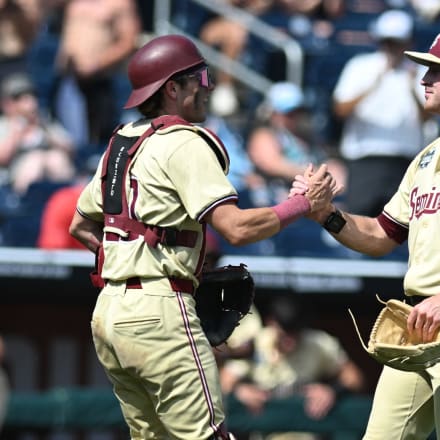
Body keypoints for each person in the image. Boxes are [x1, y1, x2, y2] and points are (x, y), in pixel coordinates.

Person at [68, 34, 340, 440]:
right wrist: (303, 204)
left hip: (109, 312)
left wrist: (132, 261)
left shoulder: (121, 144)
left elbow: (81, 225)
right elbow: (237, 228)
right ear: (172, 88)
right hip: (161, 305)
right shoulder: (184, 142)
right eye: (198, 77)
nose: (207, 86)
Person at [293, 30, 440, 439]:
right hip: (417, 320)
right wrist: (326, 215)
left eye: (436, 70)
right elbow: (381, 234)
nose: (423, 79)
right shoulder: (427, 155)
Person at [220, 295, 364, 440]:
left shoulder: (318, 343)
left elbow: (354, 377)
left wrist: (333, 390)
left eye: (296, 333)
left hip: (306, 433)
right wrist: (239, 390)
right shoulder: (256, 343)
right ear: (272, 323)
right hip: (266, 433)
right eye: (285, 333)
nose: (290, 341)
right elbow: (224, 380)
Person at [332, 9, 426, 216]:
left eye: (396, 42)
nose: (390, 48)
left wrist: (412, 88)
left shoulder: (418, 71)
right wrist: (374, 84)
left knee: (403, 227)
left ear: (408, 42)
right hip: (365, 159)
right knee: (358, 225)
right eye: (386, 42)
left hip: (405, 160)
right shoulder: (360, 66)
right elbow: (340, 110)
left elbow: (427, 117)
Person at [54, 0, 141, 145]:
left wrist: (98, 64)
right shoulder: (74, 3)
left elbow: (129, 40)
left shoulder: (119, 3)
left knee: (105, 136)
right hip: (70, 79)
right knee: (70, 138)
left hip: (104, 80)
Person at [246, 81, 345, 206]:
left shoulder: (305, 136)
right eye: (289, 113)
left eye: (299, 111)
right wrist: (318, 174)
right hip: (275, 202)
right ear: (273, 113)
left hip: (307, 202)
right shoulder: (264, 135)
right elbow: (273, 164)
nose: (295, 117)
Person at [0, 72, 76, 195]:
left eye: (30, 96)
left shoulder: (45, 122)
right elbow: (2, 158)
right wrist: (17, 133)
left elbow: (70, 149)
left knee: (56, 158)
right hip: (13, 183)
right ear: (7, 104)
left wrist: (45, 131)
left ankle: (68, 201)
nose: (28, 102)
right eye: (19, 98)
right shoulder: (4, 125)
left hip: (51, 174)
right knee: (35, 161)